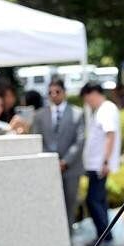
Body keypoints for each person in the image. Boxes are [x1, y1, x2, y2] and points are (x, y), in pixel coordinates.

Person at [30, 79, 85, 232]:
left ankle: (69, 242)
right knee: (50, 204)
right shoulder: (40, 115)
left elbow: (80, 141)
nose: (53, 95)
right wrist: (51, 161)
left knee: (69, 205)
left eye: (57, 92)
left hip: (71, 168)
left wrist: (65, 161)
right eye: (50, 93)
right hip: (48, 168)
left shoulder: (77, 113)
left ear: (64, 93)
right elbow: (37, 139)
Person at [80, 82, 121, 246]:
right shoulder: (102, 109)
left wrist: (105, 161)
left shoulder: (106, 109)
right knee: (99, 201)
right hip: (96, 165)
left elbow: (110, 135)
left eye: (87, 98)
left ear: (93, 93)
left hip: (100, 165)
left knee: (93, 200)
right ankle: (105, 235)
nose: (87, 102)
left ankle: (105, 237)